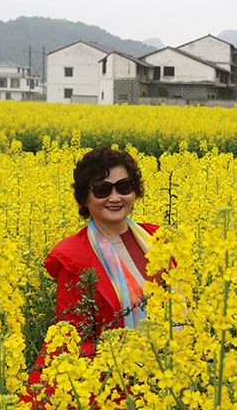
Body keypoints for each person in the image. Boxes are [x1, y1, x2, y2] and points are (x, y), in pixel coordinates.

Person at [28, 146, 168, 386]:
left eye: (124, 187)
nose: (115, 198)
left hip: (173, 377)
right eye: (102, 190)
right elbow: (72, 337)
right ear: (84, 198)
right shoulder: (74, 257)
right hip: (112, 385)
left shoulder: (157, 239)